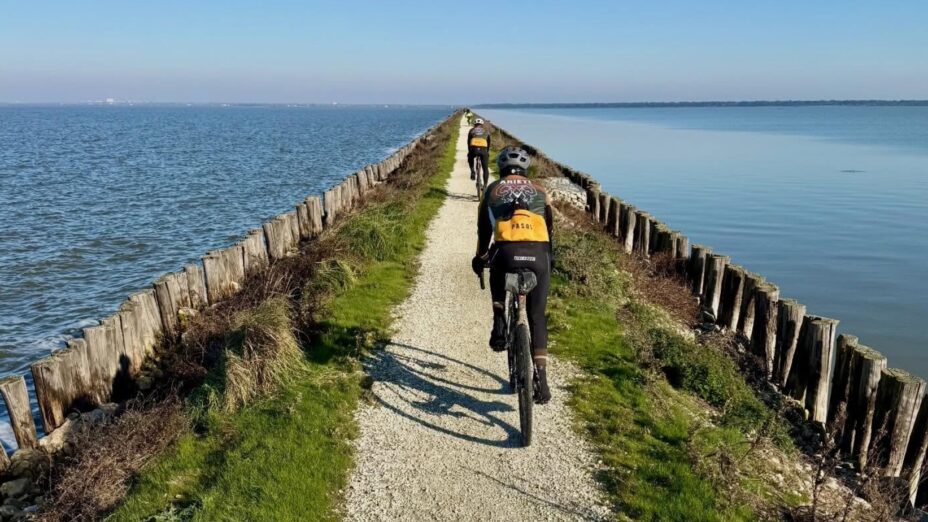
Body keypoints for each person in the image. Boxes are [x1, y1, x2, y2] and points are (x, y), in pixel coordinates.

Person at [471, 146, 554, 404]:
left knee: (496, 264)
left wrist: (480, 257)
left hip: (506, 253)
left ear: (501, 167)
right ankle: (541, 378)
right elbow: (550, 231)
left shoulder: (492, 190)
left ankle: (499, 320)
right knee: (536, 315)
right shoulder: (541, 190)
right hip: (539, 254)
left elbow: (484, 231)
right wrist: (549, 260)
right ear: (525, 168)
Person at [467, 118, 491, 185]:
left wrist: (469, 151)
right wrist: (487, 152)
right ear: (482, 124)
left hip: (474, 149)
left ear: (475, 124)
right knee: (485, 169)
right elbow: (488, 143)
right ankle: (485, 186)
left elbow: (468, 142)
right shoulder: (486, 131)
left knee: (470, 157)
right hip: (483, 150)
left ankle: (472, 171)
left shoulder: (471, 130)